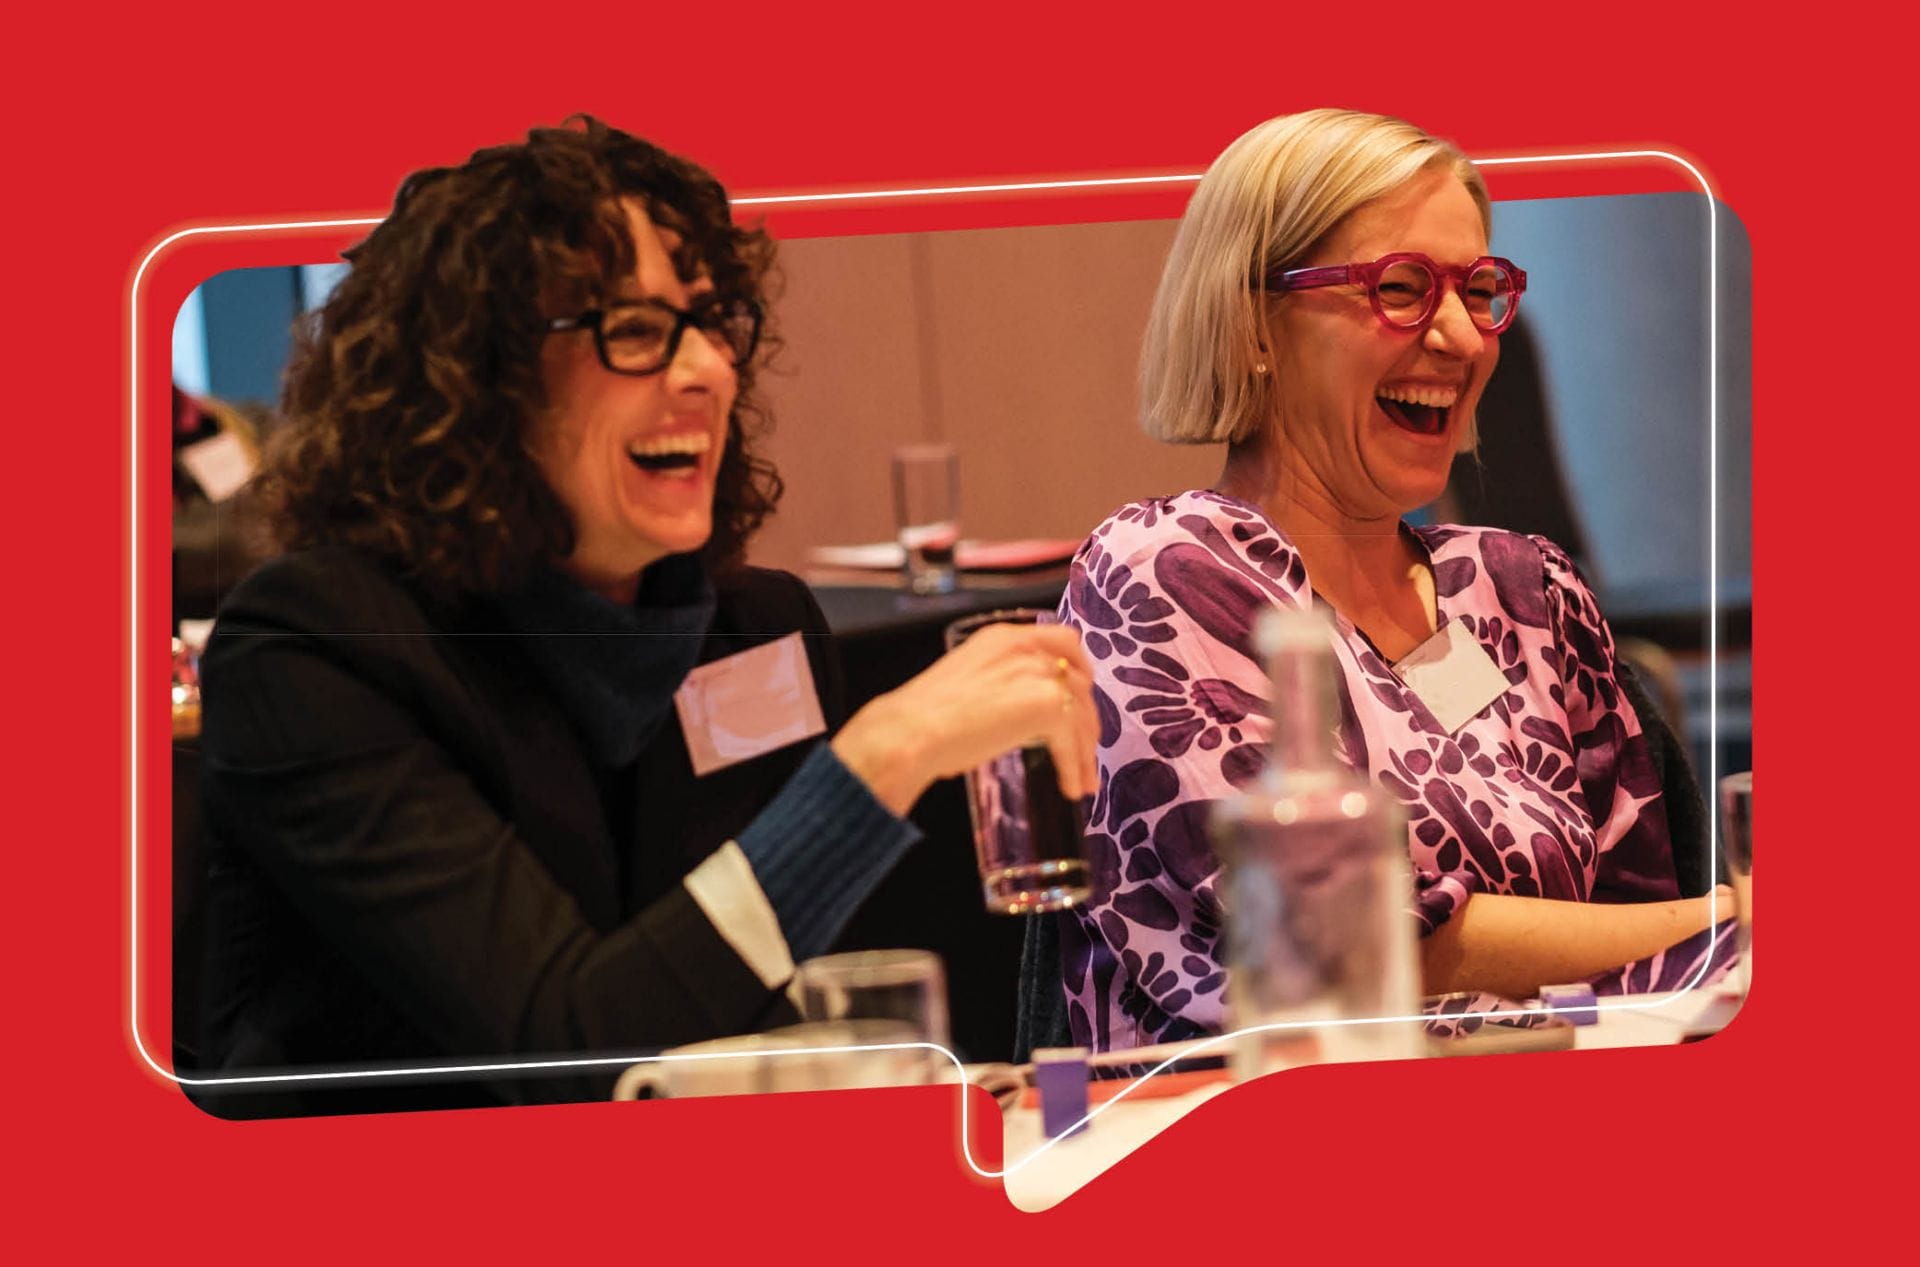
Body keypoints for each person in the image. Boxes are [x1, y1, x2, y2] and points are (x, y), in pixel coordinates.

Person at [192, 117, 1098, 1116]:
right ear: (472, 380)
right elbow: (578, 1056)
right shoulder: (318, 649)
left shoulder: (755, 631)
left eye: (712, 320)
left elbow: (805, 1021)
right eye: (633, 330)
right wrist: (878, 757)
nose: (707, 368)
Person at [1051, 109, 1728, 1054]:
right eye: (1402, 289)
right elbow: (1335, 942)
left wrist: (1700, 935)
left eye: (1481, 289)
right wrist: (1732, 919)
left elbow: (1663, 960)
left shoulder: (1522, 589)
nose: (1460, 337)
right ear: (1254, 324)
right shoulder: (1162, 575)